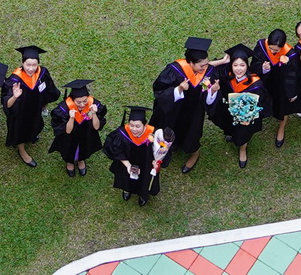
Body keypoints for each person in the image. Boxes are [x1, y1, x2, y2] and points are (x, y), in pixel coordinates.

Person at [149, 37, 228, 175]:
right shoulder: (174, 70)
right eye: (201, 65)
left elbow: (208, 99)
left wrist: (213, 92)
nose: (205, 67)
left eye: (206, 63)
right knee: (168, 128)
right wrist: (178, 89)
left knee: (192, 134)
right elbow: (159, 89)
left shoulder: (208, 73)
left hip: (194, 112)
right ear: (190, 63)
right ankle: (169, 146)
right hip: (173, 109)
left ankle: (194, 154)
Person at [207, 44, 270, 167]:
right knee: (228, 125)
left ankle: (242, 149)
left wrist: (251, 116)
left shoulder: (256, 84)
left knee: (243, 132)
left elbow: (262, 104)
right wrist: (223, 61)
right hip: (229, 110)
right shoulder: (226, 73)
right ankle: (231, 134)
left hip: (246, 118)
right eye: (235, 65)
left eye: (242, 65)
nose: (238, 69)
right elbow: (207, 68)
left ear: (247, 65)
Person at [2, 45, 57, 167]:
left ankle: (32, 135)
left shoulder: (42, 72)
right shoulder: (14, 80)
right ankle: (21, 149)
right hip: (20, 113)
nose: (31, 69)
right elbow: (7, 104)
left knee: (36, 124)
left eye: (34, 65)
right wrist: (15, 96)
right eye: (28, 65)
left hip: (35, 109)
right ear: (22, 63)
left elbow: (48, 89)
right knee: (20, 131)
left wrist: (44, 103)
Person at [104, 106, 166, 206]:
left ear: (145, 125)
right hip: (127, 163)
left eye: (138, 126)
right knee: (126, 176)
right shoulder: (122, 133)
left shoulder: (155, 134)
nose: (134, 129)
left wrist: (157, 162)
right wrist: (128, 165)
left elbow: (163, 150)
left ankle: (143, 195)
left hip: (146, 165)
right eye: (131, 125)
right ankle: (127, 190)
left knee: (145, 179)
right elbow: (117, 151)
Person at [255, 27, 301, 147]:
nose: (273, 52)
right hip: (265, 82)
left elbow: (293, 76)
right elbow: (254, 63)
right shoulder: (261, 45)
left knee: (283, 106)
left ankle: (281, 128)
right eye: (271, 49)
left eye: (276, 50)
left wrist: (292, 92)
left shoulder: (290, 54)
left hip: (282, 86)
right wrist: (263, 68)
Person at [47, 79, 103, 176]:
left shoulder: (93, 105)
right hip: (69, 136)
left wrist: (94, 114)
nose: (82, 105)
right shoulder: (63, 109)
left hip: (86, 134)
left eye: (85, 101)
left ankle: (81, 160)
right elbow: (68, 131)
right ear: (72, 100)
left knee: (84, 147)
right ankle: (70, 162)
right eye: (78, 102)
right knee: (69, 148)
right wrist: (72, 118)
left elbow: (96, 127)